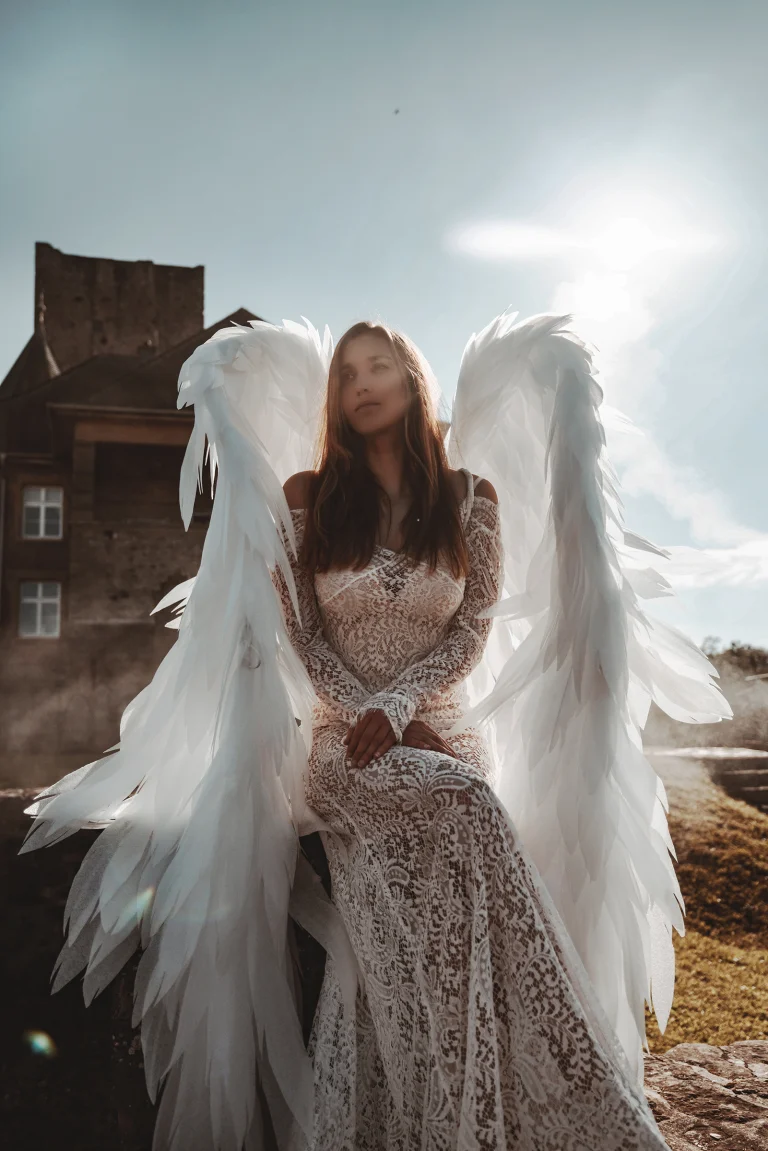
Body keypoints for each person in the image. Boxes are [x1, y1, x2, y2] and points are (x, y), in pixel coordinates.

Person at [271, 320, 670, 1149]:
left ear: (413, 378)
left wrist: (409, 700)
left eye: (378, 365)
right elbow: (301, 634)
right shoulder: (306, 496)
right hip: (345, 742)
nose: (360, 384)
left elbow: (471, 631)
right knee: (465, 802)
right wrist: (373, 709)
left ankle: (530, 1087)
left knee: (464, 797)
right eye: (346, 374)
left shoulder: (471, 496)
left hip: (444, 728)